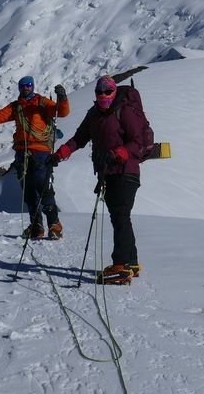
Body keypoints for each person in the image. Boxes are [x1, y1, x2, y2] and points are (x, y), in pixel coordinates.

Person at [49, 75, 146, 284]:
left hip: (126, 171)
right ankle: (131, 262)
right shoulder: (93, 115)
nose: (103, 95)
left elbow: (137, 141)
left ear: (114, 91)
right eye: (99, 91)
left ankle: (120, 265)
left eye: (107, 91)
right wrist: (59, 154)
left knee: (120, 214)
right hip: (107, 173)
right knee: (120, 216)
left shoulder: (124, 110)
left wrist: (117, 153)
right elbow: (79, 139)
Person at [0, 76, 69, 239]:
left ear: (33, 86)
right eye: (23, 86)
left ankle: (53, 225)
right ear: (19, 88)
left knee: (43, 187)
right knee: (29, 191)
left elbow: (62, 112)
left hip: (40, 153)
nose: (26, 88)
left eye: (29, 85)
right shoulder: (16, 107)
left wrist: (62, 98)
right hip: (23, 154)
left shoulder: (42, 103)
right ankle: (38, 226)